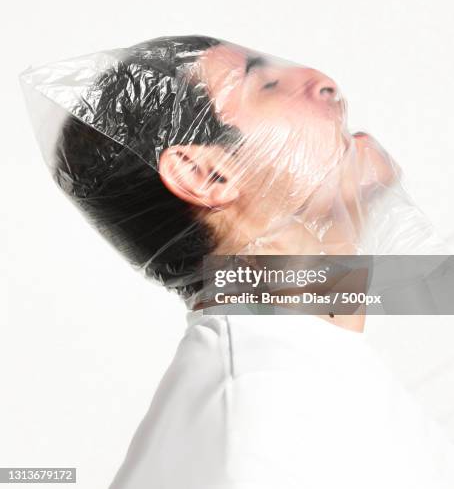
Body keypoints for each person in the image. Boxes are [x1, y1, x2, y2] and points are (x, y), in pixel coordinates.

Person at [20, 36, 454, 488]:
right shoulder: (260, 416)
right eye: (265, 84)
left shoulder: (309, 367)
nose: (325, 84)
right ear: (205, 174)